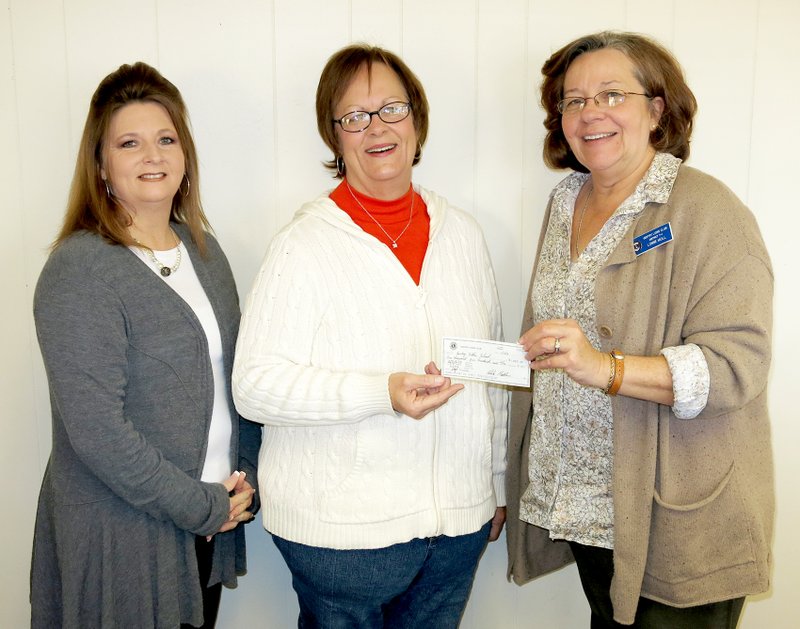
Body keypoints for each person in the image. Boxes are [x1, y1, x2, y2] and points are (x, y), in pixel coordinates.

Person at [232, 44, 507, 628]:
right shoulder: (302, 245)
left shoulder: (462, 234)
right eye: (354, 117)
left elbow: (491, 369)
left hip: (457, 529)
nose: (377, 127)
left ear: (417, 118)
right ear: (334, 137)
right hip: (343, 541)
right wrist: (379, 392)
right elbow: (254, 386)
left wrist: (496, 481)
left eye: (392, 108)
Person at [505, 31, 774, 628]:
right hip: (583, 513)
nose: (589, 112)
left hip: (676, 523)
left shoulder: (708, 212)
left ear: (656, 109)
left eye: (611, 93)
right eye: (573, 100)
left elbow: (737, 368)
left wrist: (606, 367)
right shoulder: (566, 200)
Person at [30, 62, 261, 629]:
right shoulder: (80, 269)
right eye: (129, 143)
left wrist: (245, 478)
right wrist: (200, 506)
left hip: (209, 522)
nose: (152, 156)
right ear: (101, 165)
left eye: (166, 139)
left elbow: (238, 376)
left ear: (185, 156)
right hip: (122, 536)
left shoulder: (204, 253)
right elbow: (97, 431)